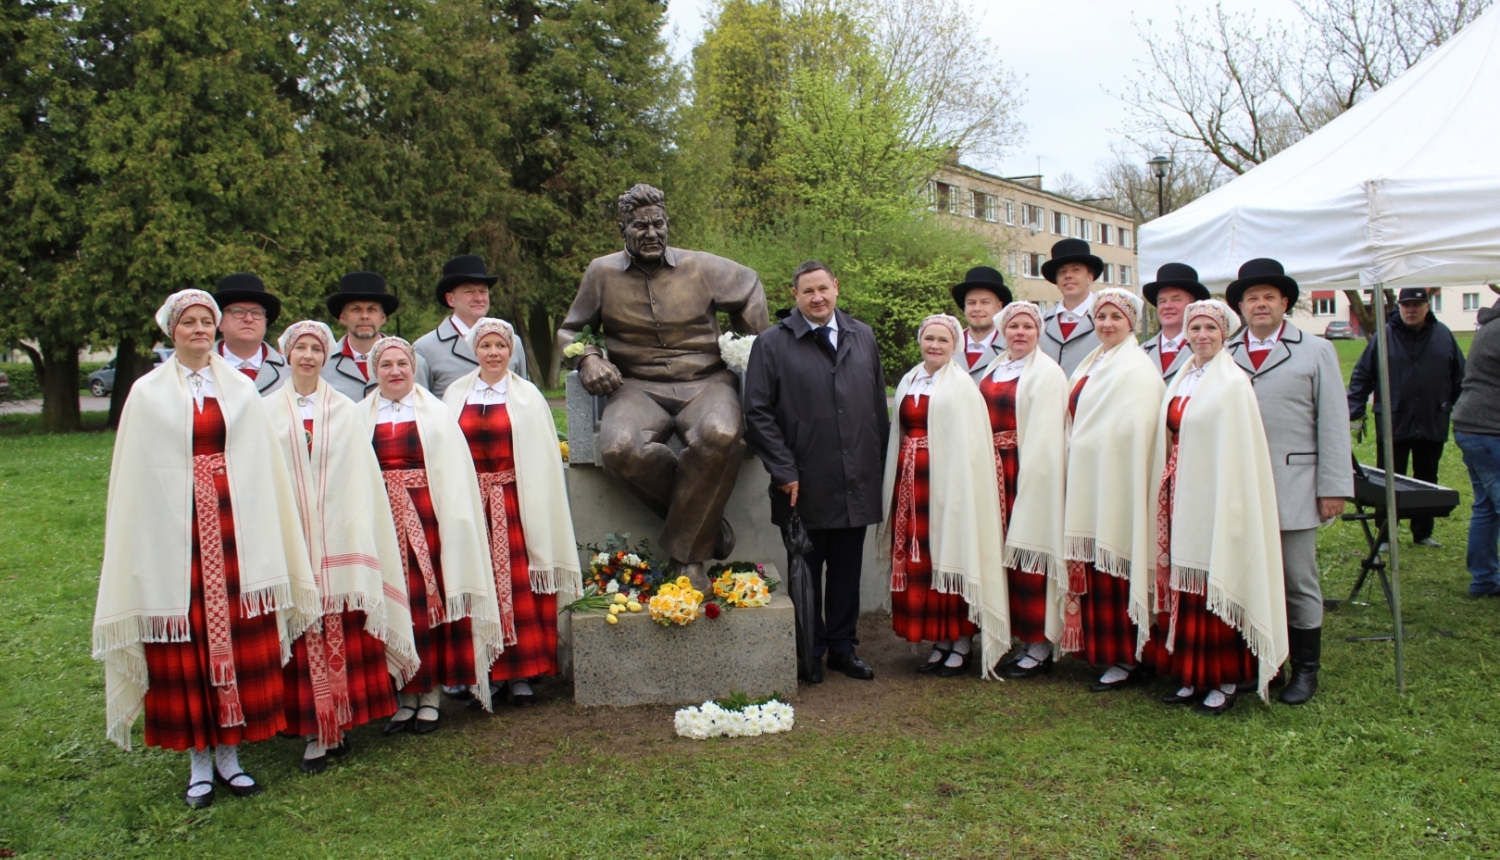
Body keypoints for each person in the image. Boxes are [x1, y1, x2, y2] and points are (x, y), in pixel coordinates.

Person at [94, 290, 318, 808]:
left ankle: (230, 757)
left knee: (239, 639)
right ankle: (198, 760)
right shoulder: (146, 393)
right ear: (171, 331)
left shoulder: (239, 390)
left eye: (205, 321)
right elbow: (136, 475)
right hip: (177, 539)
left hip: (236, 530)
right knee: (188, 644)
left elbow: (262, 466)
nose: (198, 329)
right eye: (188, 322)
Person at [557, 183, 769, 578]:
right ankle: (705, 526)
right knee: (619, 448)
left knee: (721, 435)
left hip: (707, 382)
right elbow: (569, 331)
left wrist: (751, 350)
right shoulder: (601, 272)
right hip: (636, 387)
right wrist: (588, 356)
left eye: (658, 224)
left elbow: (751, 285)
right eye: (640, 226)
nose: (651, 233)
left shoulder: (701, 266)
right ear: (623, 229)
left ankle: (687, 561)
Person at [267, 321, 419, 773]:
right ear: (287, 355)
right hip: (292, 535)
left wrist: (348, 525)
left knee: (340, 625)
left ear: (325, 356)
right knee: (302, 626)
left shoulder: (346, 411)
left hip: (339, 536)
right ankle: (314, 729)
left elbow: (358, 478)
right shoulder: (266, 412)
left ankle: (343, 720)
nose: (308, 356)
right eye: (301, 349)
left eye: (316, 349)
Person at [744, 261, 887, 682]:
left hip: (856, 480)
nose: (817, 297)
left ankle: (844, 648)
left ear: (836, 288)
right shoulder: (772, 344)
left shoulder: (863, 336)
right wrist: (784, 471)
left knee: (847, 572)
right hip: (801, 483)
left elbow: (877, 407)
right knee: (806, 569)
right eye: (808, 291)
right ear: (796, 296)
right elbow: (758, 414)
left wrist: (876, 467)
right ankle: (812, 651)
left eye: (823, 288)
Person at [1145, 300, 1288, 715]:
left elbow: (1238, 451)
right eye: (1195, 328)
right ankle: (1192, 675)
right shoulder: (1183, 376)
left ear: (1224, 334)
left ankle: (1224, 678)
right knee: (1186, 585)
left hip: (1217, 497)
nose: (1201, 336)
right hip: (1181, 494)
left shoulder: (1231, 383)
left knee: (1213, 582)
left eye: (1210, 328)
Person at [1225, 258, 1352, 706]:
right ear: (1240, 306)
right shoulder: (1225, 351)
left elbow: (1333, 423)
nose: (1260, 305)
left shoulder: (1315, 351)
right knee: (1250, 574)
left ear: (1285, 304)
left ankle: (1306, 668)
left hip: (1294, 482)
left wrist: (1333, 486)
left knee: (1297, 578)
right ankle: (1264, 661)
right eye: (1252, 298)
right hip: (1239, 487)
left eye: (1269, 297)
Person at [365, 336, 505, 733]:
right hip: (382, 520)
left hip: (428, 519)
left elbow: (453, 474)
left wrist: (453, 525)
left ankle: (430, 696)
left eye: (402, 364)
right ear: (375, 372)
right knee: (396, 603)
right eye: (386, 365)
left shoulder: (437, 414)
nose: (395, 372)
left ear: (414, 369)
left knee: (430, 605)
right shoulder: (358, 416)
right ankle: (403, 694)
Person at [442, 318, 583, 708]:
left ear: (510, 352)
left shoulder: (527, 397)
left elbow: (541, 458)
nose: (493, 353)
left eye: (500, 346)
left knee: (519, 585)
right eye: (485, 346)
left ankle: (521, 671)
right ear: (475, 351)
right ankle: (481, 669)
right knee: (478, 582)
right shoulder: (455, 394)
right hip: (471, 504)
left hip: (513, 501)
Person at [879, 314, 1005, 677]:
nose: (934, 345)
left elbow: (972, 446)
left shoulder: (962, 385)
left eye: (943, 340)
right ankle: (939, 641)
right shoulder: (908, 380)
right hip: (910, 479)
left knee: (949, 554)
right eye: (929, 338)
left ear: (955, 346)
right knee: (921, 560)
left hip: (947, 482)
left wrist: (959, 490)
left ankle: (961, 641)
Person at [1060, 288, 1165, 692]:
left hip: (1118, 484)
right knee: (1094, 570)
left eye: (1115, 318)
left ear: (1131, 324)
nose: (1106, 324)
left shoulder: (1136, 369)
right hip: (1087, 478)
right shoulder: (1093, 361)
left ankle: (1128, 656)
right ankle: (1102, 651)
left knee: (1116, 568)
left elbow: (1137, 430)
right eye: (1100, 318)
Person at [979, 302, 1069, 679]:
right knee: (1000, 556)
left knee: (1030, 553)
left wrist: (1033, 478)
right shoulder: (996, 365)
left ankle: (1039, 643)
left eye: (1028, 327)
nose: (1019, 333)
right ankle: (1011, 633)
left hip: (1026, 468)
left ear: (1038, 332)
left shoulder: (1047, 372)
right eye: (1013, 326)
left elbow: (1048, 434)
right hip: (992, 467)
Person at [1347, 287, 1466, 548]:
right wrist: (1353, 410)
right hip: (1393, 420)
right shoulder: (1385, 335)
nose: (1411, 310)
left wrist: (1447, 403)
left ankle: (1422, 532)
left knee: (1427, 478)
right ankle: (1386, 533)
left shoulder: (1443, 335)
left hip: (1432, 418)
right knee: (1389, 478)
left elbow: (1461, 376)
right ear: (1399, 307)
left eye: (1416, 305)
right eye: (1406, 305)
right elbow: (1362, 376)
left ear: (1427, 307)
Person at [414, 255, 529, 398]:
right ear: (450, 299)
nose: (479, 298)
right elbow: (419, 408)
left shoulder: (512, 342)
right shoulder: (425, 349)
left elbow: (525, 398)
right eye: (469, 292)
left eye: (483, 291)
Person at [1453, 294, 1500, 596]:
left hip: (1471, 428)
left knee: (1486, 508)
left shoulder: (1489, 327)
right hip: (1488, 430)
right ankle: (1483, 579)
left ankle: (1483, 580)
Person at [323, 271, 433, 401]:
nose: (364, 316)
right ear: (342, 317)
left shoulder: (412, 362)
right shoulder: (323, 365)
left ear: (382, 317)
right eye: (356, 309)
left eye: (372, 309)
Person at [212, 273, 289, 395]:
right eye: (238, 311)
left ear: (265, 322)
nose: (248, 319)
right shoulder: (197, 366)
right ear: (220, 322)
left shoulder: (290, 372)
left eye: (256, 313)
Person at [1040, 238, 1105, 376]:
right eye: (1062, 271)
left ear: (1089, 277)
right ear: (1056, 282)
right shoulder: (1040, 323)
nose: (1068, 275)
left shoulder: (1108, 320)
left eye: (1076, 270)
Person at [1140, 263, 1211, 380]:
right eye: (1162, 301)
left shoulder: (1211, 348)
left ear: (1193, 305)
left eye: (1176, 299)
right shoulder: (1141, 352)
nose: (1167, 306)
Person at [952, 266, 1011, 382]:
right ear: (964, 308)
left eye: (985, 302)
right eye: (971, 303)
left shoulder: (1011, 348)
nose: (977, 308)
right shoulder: (947, 345)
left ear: (999, 307)